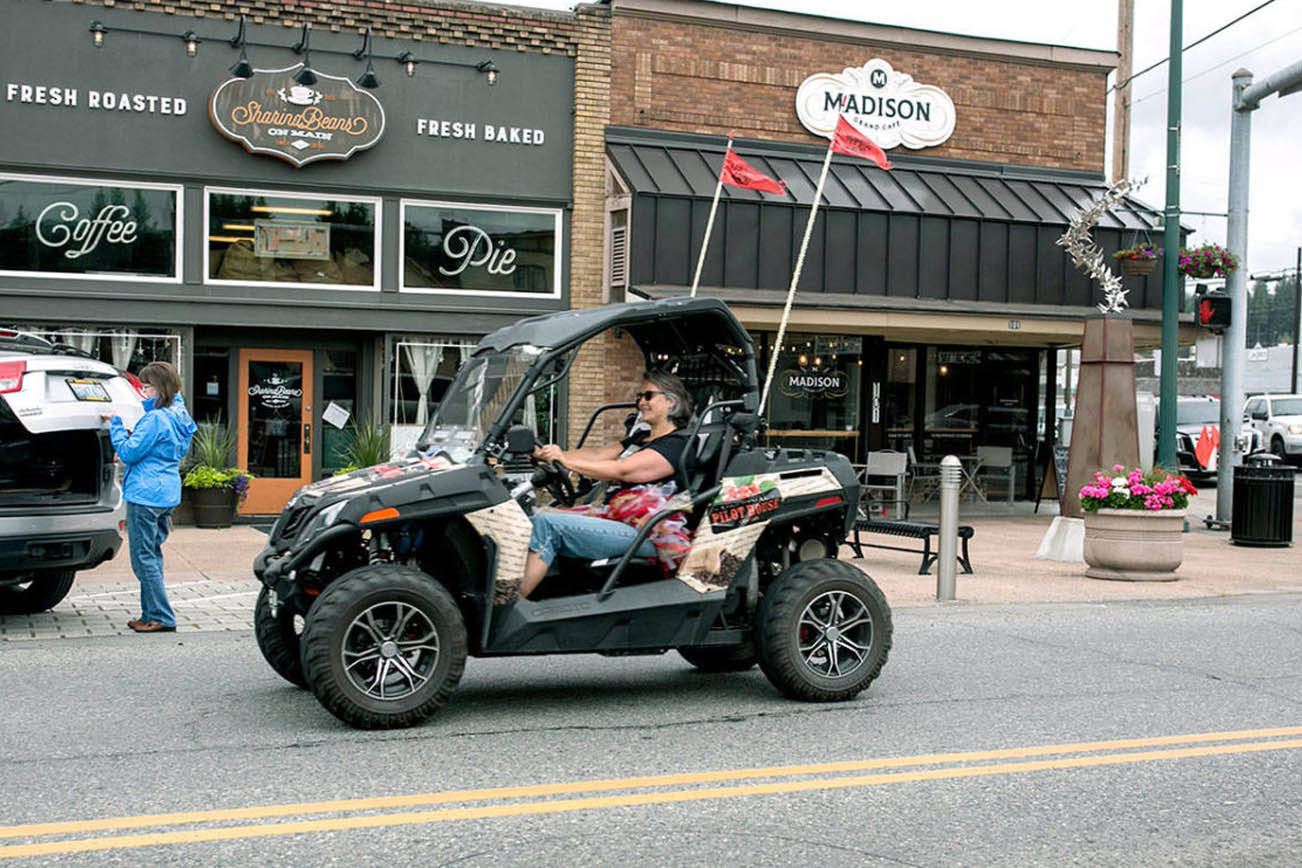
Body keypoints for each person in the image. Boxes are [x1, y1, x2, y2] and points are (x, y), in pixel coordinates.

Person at [519, 370, 693, 599]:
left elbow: (624, 470)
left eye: (648, 396)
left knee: (546, 524)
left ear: (671, 402)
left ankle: (509, 605)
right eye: (639, 397)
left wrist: (564, 460)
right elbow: (597, 455)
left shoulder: (677, 444)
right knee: (528, 518)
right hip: (617, 519)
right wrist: (544, 454)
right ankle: (544, 596)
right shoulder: (640, 438)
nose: (641, 402)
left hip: (650, 533)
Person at [102, 361, 197, 633]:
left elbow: (130, 453)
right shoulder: (180, 413)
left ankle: (161, 617)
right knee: (152, 554)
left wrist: (117, 426)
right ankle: (149, 615)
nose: (142, 390)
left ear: (160, 387)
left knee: (143, 558)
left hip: (145, 494)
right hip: (166, 493)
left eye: (147, 385)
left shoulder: (155, 419)